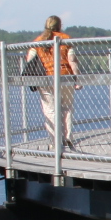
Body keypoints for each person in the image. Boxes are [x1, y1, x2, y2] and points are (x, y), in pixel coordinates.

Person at [23, 14, 76, 145]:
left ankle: (55, 140)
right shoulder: (65, 39)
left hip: (45, 78)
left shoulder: (38, 41)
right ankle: (68, 137)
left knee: (50, 109)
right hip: (65, 76)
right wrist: (77, 77)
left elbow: (30, 60)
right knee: (67, 108)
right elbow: (72, 59)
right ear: (60, 25)